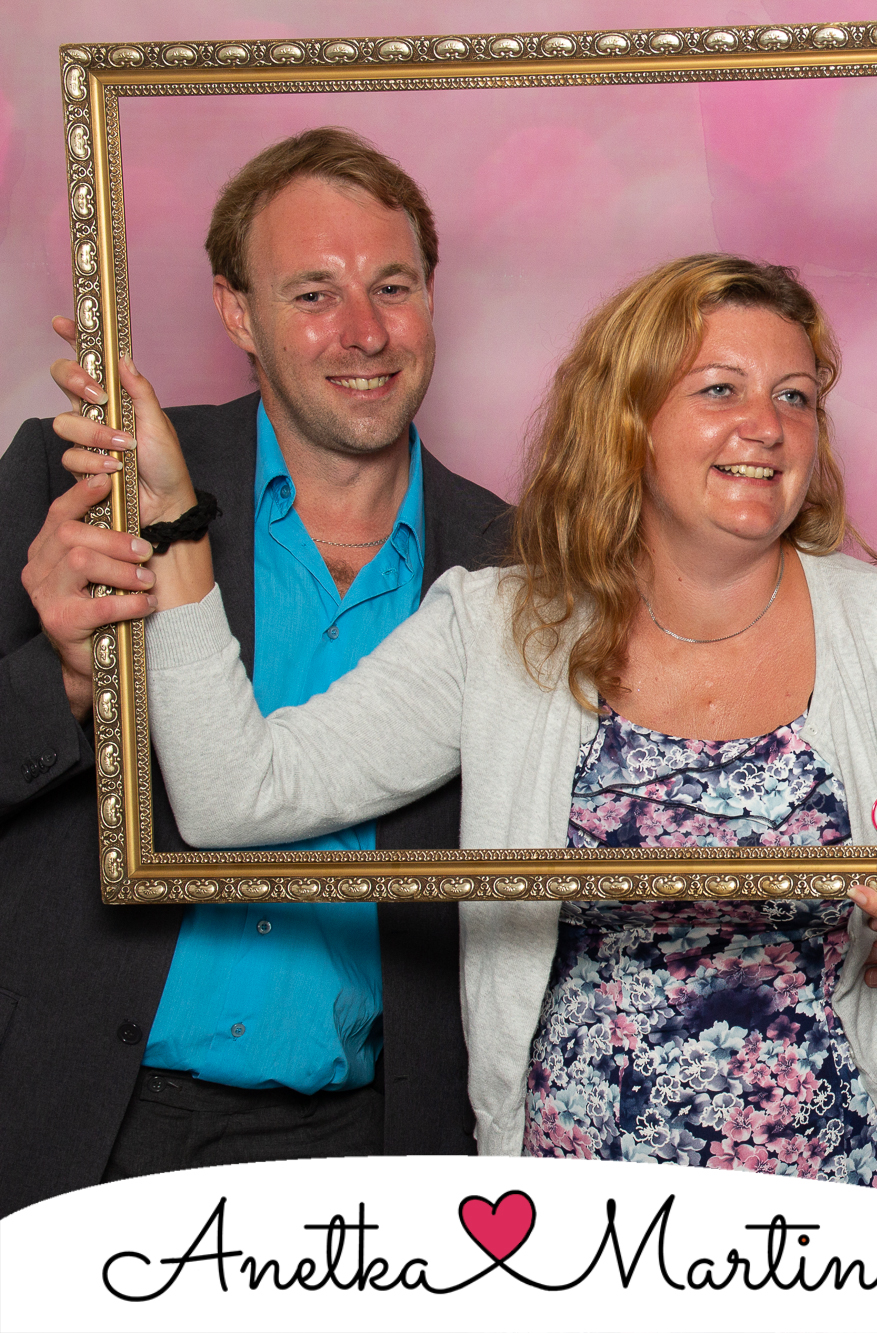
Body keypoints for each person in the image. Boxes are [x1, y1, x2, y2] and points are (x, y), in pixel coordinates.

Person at [81, 254, 877, 1192]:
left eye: (796, 396)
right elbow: (234, 796)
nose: (767, 426)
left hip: (855, 1200)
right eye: (719, 388)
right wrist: (173, 525)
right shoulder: (498, 628)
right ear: (627, 419)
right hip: (579, 1209)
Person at [0, 128, 511, 1215]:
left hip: (374, 1146)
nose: (364, 331)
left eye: (392, 286)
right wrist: (68, 683)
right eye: (314, 293)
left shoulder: (519, 566)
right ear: (236, 313)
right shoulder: (88, 482)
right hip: (69, 1113)